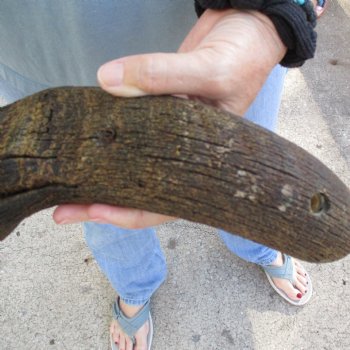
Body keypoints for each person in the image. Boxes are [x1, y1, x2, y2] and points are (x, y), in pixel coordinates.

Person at [0, 1, 326, 349]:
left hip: (233, 25)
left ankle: (257, 245)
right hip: (48, 38)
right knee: (98, 197)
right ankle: (134, 284)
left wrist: (273, 14)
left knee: (252, 174)